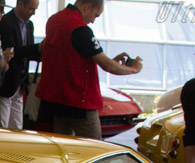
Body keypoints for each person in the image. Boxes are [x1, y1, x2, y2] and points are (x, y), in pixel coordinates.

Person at [35, 0, 142, 139]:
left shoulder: (54, 20)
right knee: (94, 148)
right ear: (88, 8)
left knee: (62, 148)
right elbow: (107, 65)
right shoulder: (80, 29)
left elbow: (72, 56)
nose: (92, 21)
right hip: (79, 101)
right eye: (96, 15)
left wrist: (110, 60)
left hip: (56, 100)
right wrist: (134, 69)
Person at [0, 0, 41, 129]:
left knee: (17, 126)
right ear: (21, 4)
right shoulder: (5, 23)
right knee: (2, 126)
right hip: (6, 81)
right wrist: (37, 49)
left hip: (20, 82)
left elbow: (27, 51)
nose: (33, 13)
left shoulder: (30, 25)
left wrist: (40, 52)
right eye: (31, 9)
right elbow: (12, 52)